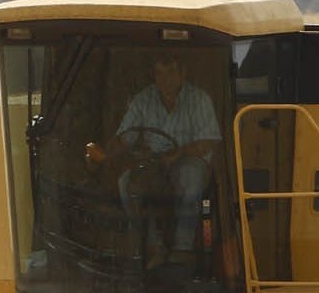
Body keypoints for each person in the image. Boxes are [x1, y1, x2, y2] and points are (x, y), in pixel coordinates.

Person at [88, 54, 220, 268]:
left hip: (189, 159)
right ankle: (153, 246)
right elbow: (126, 137)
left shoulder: (199, 99)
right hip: (154, 161)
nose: (164, 79)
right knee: (126, 183)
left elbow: (208, 141)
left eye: (170, 72)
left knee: (190, 177)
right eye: (159, 73)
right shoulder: (143, 100)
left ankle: (182, 248)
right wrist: (107, 153)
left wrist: (179, 154)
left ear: (182, 74)